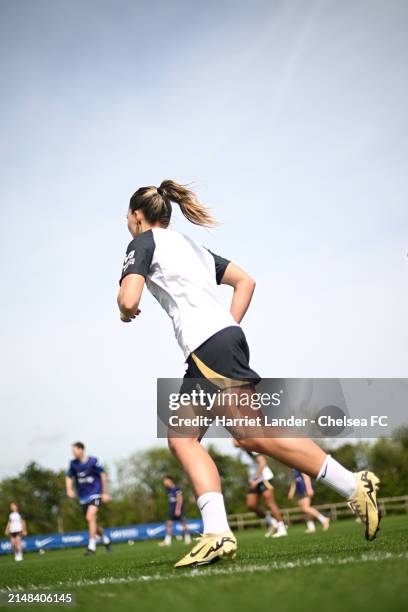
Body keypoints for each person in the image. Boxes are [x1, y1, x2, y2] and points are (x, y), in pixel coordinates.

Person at [117, 180, 380, 568]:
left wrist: (124, 310)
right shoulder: (192, 247)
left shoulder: (143, 242)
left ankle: (354, 485)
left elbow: (129, 298)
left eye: (127, 216)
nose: (127, 222)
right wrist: (227, 325)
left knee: (252, 434)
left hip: (209, 345)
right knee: (183, 438)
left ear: (137, 216)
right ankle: (217, 532)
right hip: (215, 342)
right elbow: (246, 280)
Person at [65, 441, 112, 555]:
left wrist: (105, 492)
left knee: (90, 516)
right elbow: (68, 476)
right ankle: (105, 539)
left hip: (96, 493)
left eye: (74, 450)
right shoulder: (73, 464)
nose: (73, 453)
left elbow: (103, 475)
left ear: (81, 449)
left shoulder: (93, 461)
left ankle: (91, 547)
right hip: (83, 497)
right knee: (91, 520)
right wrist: (69, 489)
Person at [233, 440, 287, 538]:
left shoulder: (251, 448)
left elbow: (262, 462)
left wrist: (256, 479)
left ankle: (282, 528)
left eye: (234, 439)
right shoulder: (242, 452)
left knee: (270, 503)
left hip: (264, 478)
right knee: (251, 505)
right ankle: (272, 522)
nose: (232, 441)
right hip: (254, 481)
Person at [159, 476, 192, 546]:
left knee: (183, 523)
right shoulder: (168, 490)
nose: (164, 483)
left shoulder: (177, 488)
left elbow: (180, 499)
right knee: (169, 524)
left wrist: (178, 509)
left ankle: (188, 539)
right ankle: (167, 541)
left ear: (170, 480)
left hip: (178, 509)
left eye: (165, 481)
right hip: (171, 509)